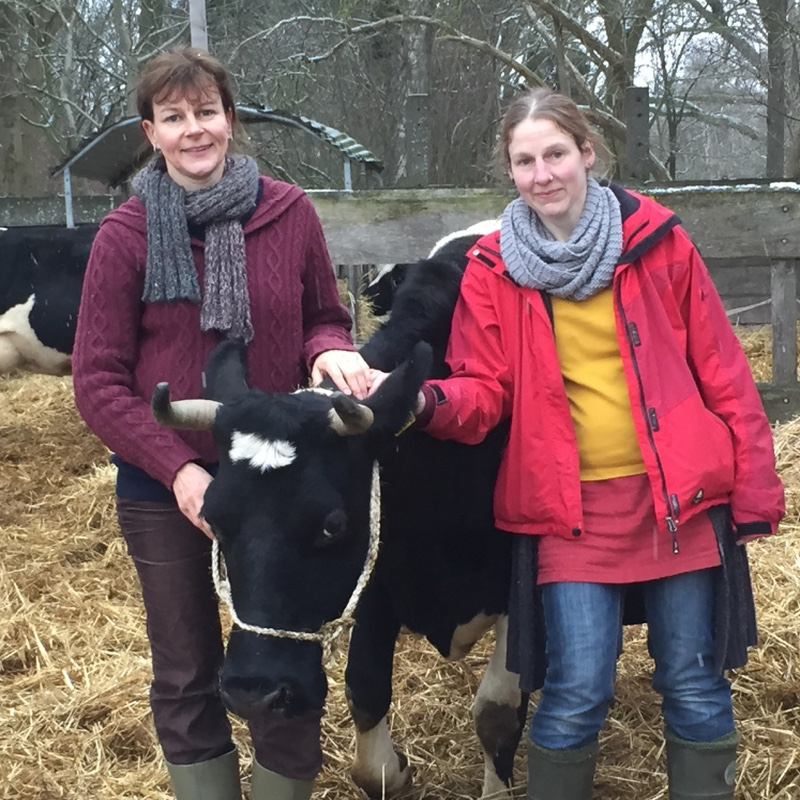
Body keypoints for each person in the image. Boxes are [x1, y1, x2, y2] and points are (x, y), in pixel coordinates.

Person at [392, 88, 785, 799]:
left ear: (586, 155)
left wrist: (756, 489)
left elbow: (723, 370)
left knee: (693, 680)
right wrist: (425, 401)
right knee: (576, 688)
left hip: (677, 500)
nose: (542, 174)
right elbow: (484, 390)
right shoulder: (492, 268)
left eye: (555, 154)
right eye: (524, 160)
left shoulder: (659, 243)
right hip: (569, 509)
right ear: (509, 172)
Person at [72, 47, 371, 800]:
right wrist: (179, 468)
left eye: (206, 112)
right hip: (164, 482)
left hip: (277, 483)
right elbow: (97, 382)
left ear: (229, 121)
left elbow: (324, 320)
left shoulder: (289, 210)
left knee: (281, 648)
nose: (194, 129)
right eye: (174, 117)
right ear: (153, 132)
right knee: (185, 664)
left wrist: (332, 352)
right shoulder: (124, 235)